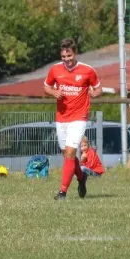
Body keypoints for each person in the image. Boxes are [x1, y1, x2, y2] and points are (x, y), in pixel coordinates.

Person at [44, 38, 102, 200]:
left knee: (70, 152)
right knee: (67, 155)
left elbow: (99, 89)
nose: (67, 60)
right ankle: (82, 178)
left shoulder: (87, 71)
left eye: (69, 56)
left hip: (79, 117)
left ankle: (62, 192)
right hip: (61, 118)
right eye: (63, 57)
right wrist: (53, 92)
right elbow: (46, 86)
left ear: (75, 54)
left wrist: (94, 93)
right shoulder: (55, 70)